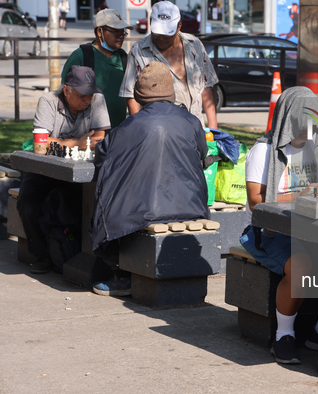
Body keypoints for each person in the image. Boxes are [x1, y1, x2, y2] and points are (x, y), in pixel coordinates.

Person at [240, 86, 318, 364]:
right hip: (272, 232)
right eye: (305, 125)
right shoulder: (264, 150)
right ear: (290, 120)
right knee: (301, 266)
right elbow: (255, 202)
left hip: (315, 228)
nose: (310, 132)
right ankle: (284, 336)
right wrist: (304, 193)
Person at [90, 61, 210, 296]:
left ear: (139, 96)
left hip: (142, 214)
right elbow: (203, 153)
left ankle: (120, 272)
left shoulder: (128, 126)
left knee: (109, 201)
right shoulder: (192, 122)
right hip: (193, 208)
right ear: (171, 92)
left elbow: (101, 155)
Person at [17, 66, 110, 275]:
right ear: (67, 90)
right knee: (27, 201)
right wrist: (78, 141)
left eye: (90, 93)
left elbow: (100, 139)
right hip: (46, 168)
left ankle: (76, 253)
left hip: (81, 170)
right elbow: (40, 145)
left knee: (86, 203)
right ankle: (41, 255)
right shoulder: (48, 100)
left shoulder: (97, 99)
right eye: (82, 94)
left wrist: (59, 142)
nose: (87, 99)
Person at [120, 1, 219, 129]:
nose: (161, 38)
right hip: (159, 129)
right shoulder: (137, 51)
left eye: (167, 34)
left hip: (196, 127)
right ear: (150, 22)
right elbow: (130, 95)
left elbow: (206, 87)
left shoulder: (195, 45)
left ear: (179, 26)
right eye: (157, 33)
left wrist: (213, 129)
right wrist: (142, 128)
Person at [61, 9, 133, 129]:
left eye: (123, 32)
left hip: (118, 134)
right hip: (86, 136)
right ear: (100, 31)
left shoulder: (123, 57)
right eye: (116, 32)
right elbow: (65, 93)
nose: (121, 36)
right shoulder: (81, 56)